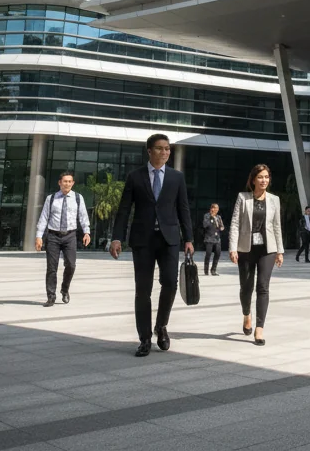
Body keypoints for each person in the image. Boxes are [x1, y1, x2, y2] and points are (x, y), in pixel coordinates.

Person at [109, 134, 194, 357]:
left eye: (168, 149)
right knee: (142, 290)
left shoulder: (177, 177)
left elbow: (183, 208)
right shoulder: (135, 177)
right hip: (142, 240)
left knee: (170, 283)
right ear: (149, 151)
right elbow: (124, 209)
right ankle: (144, 338)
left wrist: (189, 239)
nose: (165, 152)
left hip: (169, 240)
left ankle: (161, 326)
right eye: (160, 148)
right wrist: (116, 237)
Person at [228, 164, 284, 346]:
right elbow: (235, 223)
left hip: (268, 249)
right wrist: (232, 248)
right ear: (253, 180)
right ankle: (247, 315)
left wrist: (280, 251)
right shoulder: (243, 198)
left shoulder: (274, 199)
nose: (264, 180)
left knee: (263, 286)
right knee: (246, 287)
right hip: (246, 248)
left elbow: (276, 226)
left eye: (267, 177)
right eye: (260, 177)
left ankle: (259, 328)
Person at [35, 173, 91, 307]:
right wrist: (39, 236)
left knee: (71, 265)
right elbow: (44, 217)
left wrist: (86, 232)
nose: (67, 184)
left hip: (70, 235)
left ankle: (64, 289)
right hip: (53, 236)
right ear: (59, 182)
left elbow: (83, 216)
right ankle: (51, 296)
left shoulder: (78, 198)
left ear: (73, 183)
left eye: (69, 181)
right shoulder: (51, 198)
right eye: (64, 181)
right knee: (51, 268)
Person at [202, 203, 224, 276]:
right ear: (211, 208)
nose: (216, 210)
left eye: (217, 208)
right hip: (209, 238)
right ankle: (206, 270)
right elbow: (205, 225)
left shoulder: (219, 217)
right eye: (215, 208)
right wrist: (211, 217)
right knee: (208, 254)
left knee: (218, 253)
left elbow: (221, 226)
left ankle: (213, 270)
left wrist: (222, 228)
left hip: (217, 238)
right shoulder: (207, 216)